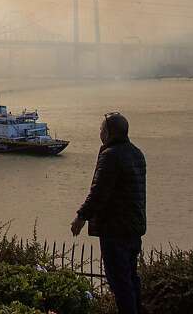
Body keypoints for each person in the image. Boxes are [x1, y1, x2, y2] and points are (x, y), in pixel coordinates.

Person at [71, 112, 147, 314]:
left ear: (109, 133)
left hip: (115, 229)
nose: (100, 133)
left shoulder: (110, 156)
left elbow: (99, 191)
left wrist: (81, 216)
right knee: (131, 279)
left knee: (120, 283)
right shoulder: (136, 153)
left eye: (102, 129)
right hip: (133, 228)